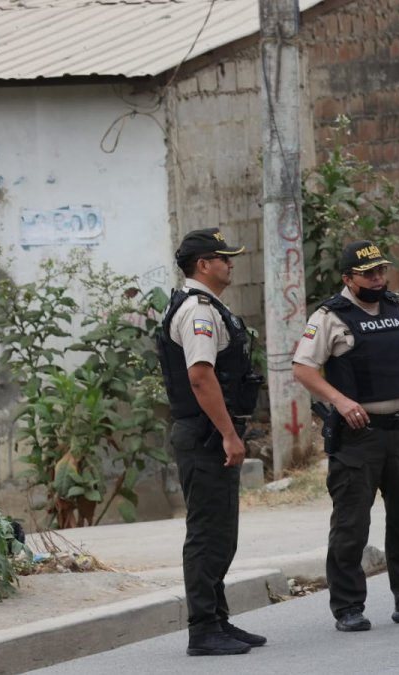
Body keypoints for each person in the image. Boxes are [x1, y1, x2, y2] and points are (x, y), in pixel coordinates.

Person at [292, 241, 399, 633]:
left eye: (382, 271)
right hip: (359, 438)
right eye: (369, 273)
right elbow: (303, 368)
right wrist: (340, 401)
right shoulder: (330, 316)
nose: (378, 278)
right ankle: (348, 607)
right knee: (351, 527)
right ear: (348, 279)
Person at [157, 227, 266, 656]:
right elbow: (200, 378)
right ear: (204, 265)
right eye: (224, 258)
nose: (231, 263)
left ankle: (218, 619)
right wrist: (227, 433)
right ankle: (203, 629)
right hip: (206, 435)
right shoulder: (199, 312)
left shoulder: (207, 307)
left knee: (222, 532)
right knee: (207, 533)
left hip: (209, 434)